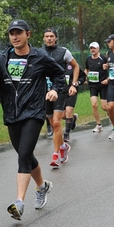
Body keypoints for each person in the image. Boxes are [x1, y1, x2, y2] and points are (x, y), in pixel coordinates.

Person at [0, 19, 65, 220]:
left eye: (19, 32)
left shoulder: (39, 57)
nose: (14, 36)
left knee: (23, 156)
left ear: (28, 35)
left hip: (34, 112)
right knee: (26, 154)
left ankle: (19, 202)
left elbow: (59, 74)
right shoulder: (2, 58)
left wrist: (55, 89)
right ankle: (42, 186)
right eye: (12, 33)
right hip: (12, 114)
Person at [42, 27, 78, 167]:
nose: (49, 38)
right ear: (44, 38)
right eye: (47, 36)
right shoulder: (39, 52)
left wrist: (74, 84)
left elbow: (76, 67)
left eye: (51, 36)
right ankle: (63, 146)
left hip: (61, 90)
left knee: (57, 123)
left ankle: (56, 154)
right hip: (45, 91)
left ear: (56, 38)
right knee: (51, 122)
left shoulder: (64, 52)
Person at [84, 42, 108, 132]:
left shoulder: (103, 58)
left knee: (104, 107)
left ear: (98, 49)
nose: (92, 50)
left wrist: (107, 79)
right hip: (93, 84)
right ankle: (98, 125)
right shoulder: (88, 59)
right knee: (94, 104)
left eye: (94, 48)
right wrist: (85, 77)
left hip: (102, 84)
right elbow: (87, 69)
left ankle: (110, 114)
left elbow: (110, 68)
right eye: (91, 48)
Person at [62, 64, 86, 142]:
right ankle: (74, 118)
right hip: (60, 92)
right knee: (62, 116)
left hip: (71, 92)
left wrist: (76, 83)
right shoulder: (56, 63)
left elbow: (83, 77)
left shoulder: (73, 65)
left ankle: (66, 134)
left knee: (68, 111)